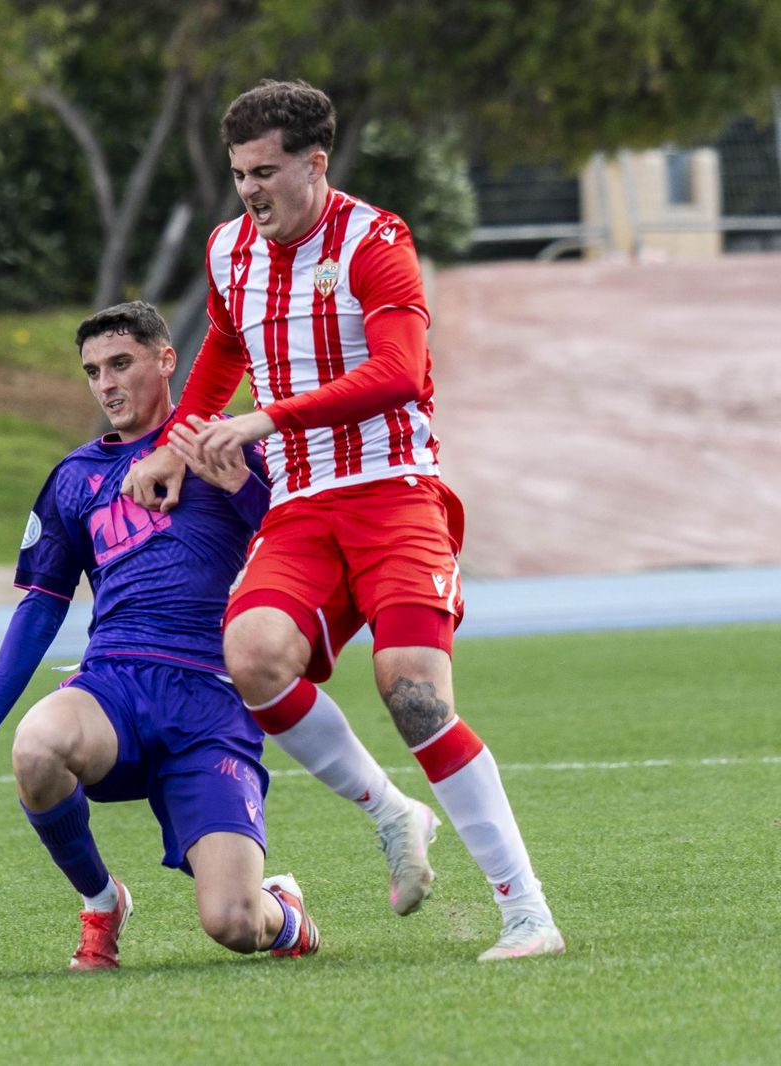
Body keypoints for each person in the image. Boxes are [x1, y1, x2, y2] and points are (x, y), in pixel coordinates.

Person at [123, 79, 564, 960]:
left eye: (265, 173)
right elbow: (224, 349)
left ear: (314, 164)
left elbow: (398, 372)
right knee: (252, 655)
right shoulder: (229, 249)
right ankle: (393, 813)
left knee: (412, 691)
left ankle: (527, 914)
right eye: (239, 174)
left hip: (394, 491)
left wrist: (264, 420)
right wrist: (176, 444)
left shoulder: (376, 240)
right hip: (301, 507)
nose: (249, 191)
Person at [0, 301, 334, 970]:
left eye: (120, 364)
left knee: (233, 924)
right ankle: (103, 902)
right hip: (115, 686)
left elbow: (303, 549)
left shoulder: (230, 445)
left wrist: (242, 491)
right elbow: (41, 604)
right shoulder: (75, 478)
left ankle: (281, 908)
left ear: (167, 361)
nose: (106, 384)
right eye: (93, 372)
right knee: (37, 747)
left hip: (211, 700)